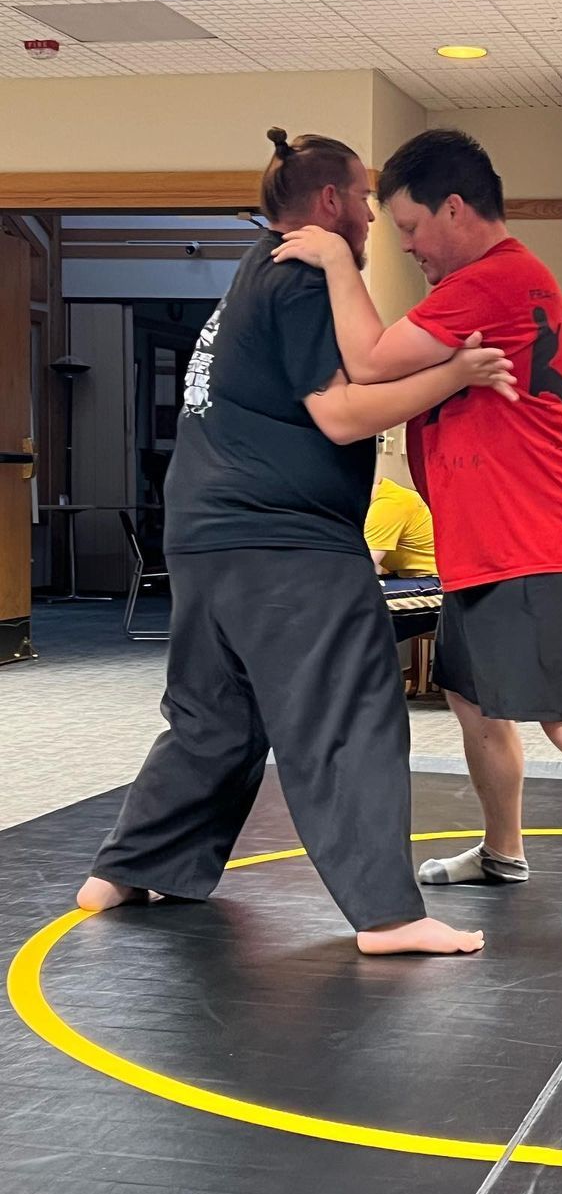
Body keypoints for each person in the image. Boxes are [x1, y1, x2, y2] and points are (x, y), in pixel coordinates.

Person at [77, 127, 519, 956]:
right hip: (283, 541)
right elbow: (342, 411)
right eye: (363, 199)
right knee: (349, 710)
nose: (372, 218)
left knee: (215, 716)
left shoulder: (251, 274)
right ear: (331, 202)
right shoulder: (305, 277)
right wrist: (458, 373)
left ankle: (128, 865)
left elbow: (361, 372)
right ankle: (390, 916)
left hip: (206, 533)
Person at [272, 129, 562, 940]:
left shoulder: (492, 280)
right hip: (491, 542)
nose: (406, 246)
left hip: (537, 541)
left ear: (455, 209)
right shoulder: (497, 282)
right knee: (473, 702)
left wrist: (332, 258)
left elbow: (366, 363)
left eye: (410, 228)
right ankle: (504, 851)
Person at [365, 471, 437, 577]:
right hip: (406, 575)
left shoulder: (387, 505)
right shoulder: (385, 491)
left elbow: (364, 567)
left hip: (433, 580)